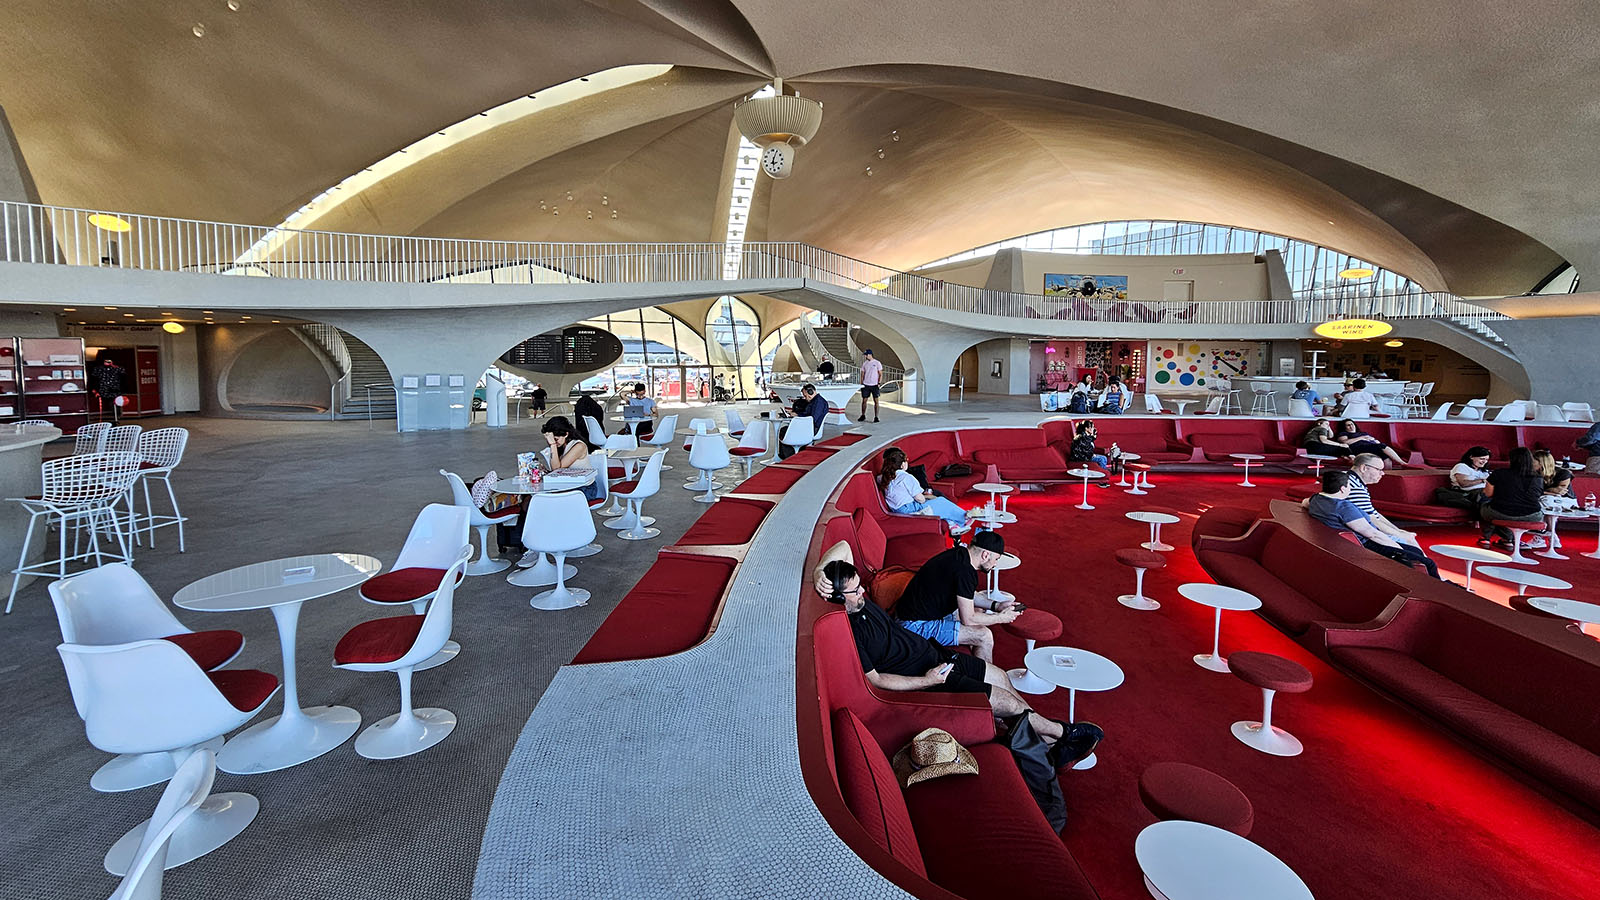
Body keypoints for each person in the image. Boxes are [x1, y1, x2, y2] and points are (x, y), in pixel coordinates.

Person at [818, 557, 1073, 749]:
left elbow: (842, 548)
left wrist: (820, 572)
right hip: (929, 675)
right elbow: (876, 680)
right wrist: (928, 680)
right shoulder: (851, 630)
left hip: (934, 654)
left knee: (1001, 678)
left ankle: (1043, 735)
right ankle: (1063, 734)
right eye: (855, 590)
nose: (863, 591)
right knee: (1008, 703)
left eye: (860, 586)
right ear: (838, 597)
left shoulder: (858, 603)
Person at [891, 532, 1022, 663]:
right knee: (984, 635)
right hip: (913, 626)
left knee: (979, 611)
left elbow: (967, 594)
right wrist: (1001, 618)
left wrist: (997, 606)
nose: (995, 564)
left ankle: (972, 662)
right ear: (985, 555)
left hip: (915, 613)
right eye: (996, 559)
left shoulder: (958, 555)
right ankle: (987, 679)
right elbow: (969, 620)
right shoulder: (965, 572)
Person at [1306, 470, 1440, 578]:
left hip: (1342, 542)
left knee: (1416, 550)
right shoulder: (1343, 507)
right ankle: (1441, 588)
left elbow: (1305, 503)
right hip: (1365, 545)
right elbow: (1372, 534)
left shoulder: (1316, 499)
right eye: (1349, 486)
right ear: (1342, 489)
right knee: (1428, 563)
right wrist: (1398, 547)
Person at [1341, 453, 1435, 572]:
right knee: (1414, 546)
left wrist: (1398, 530)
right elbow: (1370, 519)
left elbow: (1374, 513)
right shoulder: (1352, 485)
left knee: (1408, 537)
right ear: (1364, 468)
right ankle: (1430, 574)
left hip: (1370, 532)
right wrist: (1400, 535)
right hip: (1368, 537)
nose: (1382, 473)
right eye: (1379, 469)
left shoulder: (1355, 481)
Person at [879, 447, 972, 533]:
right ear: (903, 464)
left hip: (896, 510)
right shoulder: (906, 477)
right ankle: (964, 518)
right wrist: (927, 498)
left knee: (937, 503)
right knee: (940, 501)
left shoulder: (883, 477)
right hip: (909, 509)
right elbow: (920, 499)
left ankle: (953, 525)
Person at [1480, 447, 1548, 549]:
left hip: (1501, 512)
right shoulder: (1538, 478)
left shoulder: (1499, 473)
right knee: (1508, 510)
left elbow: (1488, 494)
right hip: (1532, 515)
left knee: (1485, 506)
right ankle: (1508, 540)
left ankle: (1486, 538)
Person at [540, 416, 603, 502]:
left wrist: (552, 445)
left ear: (566, 434)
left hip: (584, 488)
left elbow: (557, 469)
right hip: (567, 485)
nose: (553, 442)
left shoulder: (579, 446)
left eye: (556, 439)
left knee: (549, 501)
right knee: (532, 499)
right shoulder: (561, 446)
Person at [778, 384, 829, 459]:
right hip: (809, 427)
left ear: (811, 392)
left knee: (785, 431)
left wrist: (798, 415)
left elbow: (813, 419)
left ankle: (788, 456)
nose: (805, 398)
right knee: (786, 429)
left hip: (812, 429)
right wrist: (796, 413)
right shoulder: (815, 401)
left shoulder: (818, 403)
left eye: (805, 396)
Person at [1334, 419, 1408, 467]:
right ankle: (1402, 463)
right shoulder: (1343, 434)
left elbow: (1376, 441)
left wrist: (1374, 441)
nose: (1351, 426)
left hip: (1370, 446)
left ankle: (1388, 475)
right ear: (1345, 427)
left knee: (1386, 457)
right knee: (1382, 446)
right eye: (1348, 425)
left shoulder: (1363, 433)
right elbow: (1345, 443)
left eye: (1352, 424)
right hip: (1357, 449)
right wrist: (1361, 438)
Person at [94, 357, 126, 422]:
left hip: (114, 389)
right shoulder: (99, 369)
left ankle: (116, 416)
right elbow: (95, 379)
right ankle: (107, 417)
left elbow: (123, 376)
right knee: (105, 403)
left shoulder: (118, 368)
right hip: (103, 389)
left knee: (114, 402)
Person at [857, 349, 883, 423]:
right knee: (864, 401)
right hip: (866, 384)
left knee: (876, 401)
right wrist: (861, 383)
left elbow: (880, 374)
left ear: (869, 355)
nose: (865, 356)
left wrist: (879, 383)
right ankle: (863, 415)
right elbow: (862, 374)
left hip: (874, 385)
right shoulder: (865, 364)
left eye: (866, 355)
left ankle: (876, 416)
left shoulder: (877, 363)